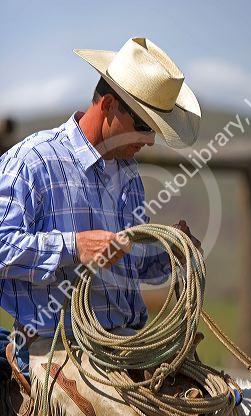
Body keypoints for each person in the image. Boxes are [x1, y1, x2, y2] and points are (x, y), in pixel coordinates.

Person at [0, 37, 202, 381]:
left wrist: (170, 252)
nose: (150, 139)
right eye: (144, 126)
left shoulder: (128, 176)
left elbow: (128, 266)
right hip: (56, 351)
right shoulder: (32, 162)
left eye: (154, 129)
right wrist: (75, 246)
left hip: (126, 348)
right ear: (108, 105)